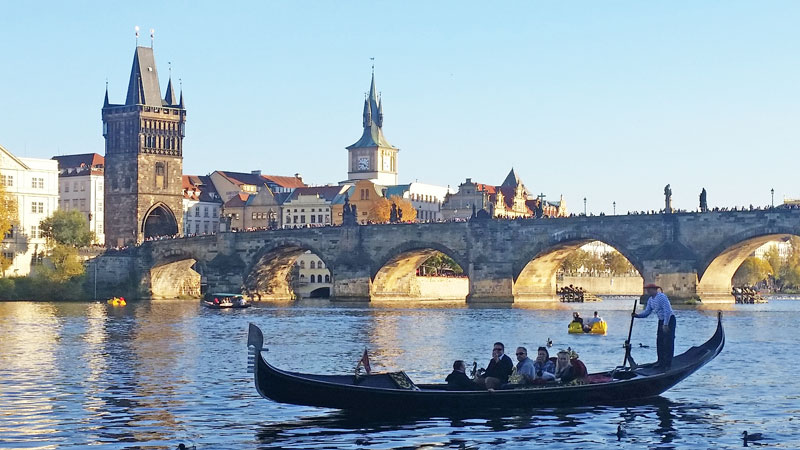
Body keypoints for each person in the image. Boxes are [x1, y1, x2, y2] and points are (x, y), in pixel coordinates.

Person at [633, 283, 676, 370]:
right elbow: (647, 312)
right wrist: (637, 316)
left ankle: (667, 364)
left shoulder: (661, 297)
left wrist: (665, 324)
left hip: (669, 320)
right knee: (659, 341)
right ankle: (660, 361)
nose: (648, 291)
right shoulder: (650, 300)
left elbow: (667, 310)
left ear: (654, 289)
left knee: (667, 342)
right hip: (661, 320)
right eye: (647, 289)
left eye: (649, 289)